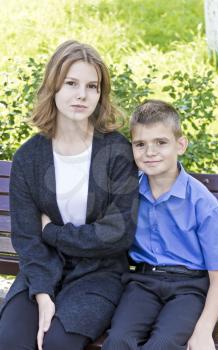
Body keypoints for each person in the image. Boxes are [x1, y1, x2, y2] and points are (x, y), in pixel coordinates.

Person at [0, 40, 138, 350]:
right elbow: (27, 237)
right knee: (10, 340)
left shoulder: (116, 152)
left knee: (58, 344)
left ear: (101, 93)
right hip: (42, 269)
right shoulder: (29, 157)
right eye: (71, 83)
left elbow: (118, 235)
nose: (82, 95)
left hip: (99, 274)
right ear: (54, 87)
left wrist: (53, 232)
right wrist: (42, 293)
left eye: (92, 86)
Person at [102, 99, 218, 350]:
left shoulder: (202, 203)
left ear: (180, 145)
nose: (150, 152)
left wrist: (203, 331)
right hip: (142, 283)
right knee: (118, 341)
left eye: (161, 142)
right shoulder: (127, 193)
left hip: (189, 289)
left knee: (161, 345)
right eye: (140, 144)